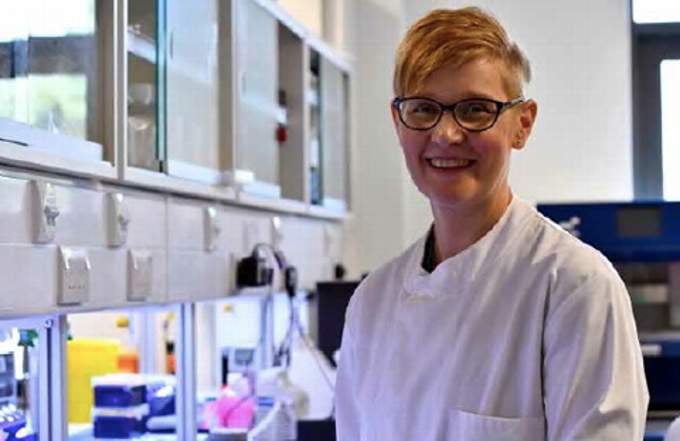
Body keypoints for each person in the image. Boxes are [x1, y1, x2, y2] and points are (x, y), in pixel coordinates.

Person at [334, 7, 649, 441]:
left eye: (476, 110)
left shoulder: (573, 286)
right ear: (398, 122)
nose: (446, 134)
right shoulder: (372, 303)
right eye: (423, 109)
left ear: (522, 124)